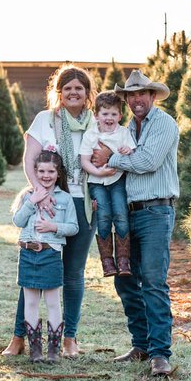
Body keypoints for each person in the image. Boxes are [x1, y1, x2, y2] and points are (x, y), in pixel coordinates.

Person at [0, 65, 97, 359]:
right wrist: (40, 195)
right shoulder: (45, 120)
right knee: (34, 271)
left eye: (79, 88)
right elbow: (30, 160)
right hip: (49, 202)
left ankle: (69, 339)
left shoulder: (96, 123)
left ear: (87, 93)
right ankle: (19, 338)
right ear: (59, 92)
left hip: (83, 203)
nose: (73, 93)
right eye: (67, 88)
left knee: (73, 273)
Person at [90, 69, 180, 377]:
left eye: (142, 93)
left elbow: (147, 162)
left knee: (153, 281)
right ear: (126, 99)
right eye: (131, 95)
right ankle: (140, 345)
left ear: (153, 96)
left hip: (156, 212)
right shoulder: (126, 128)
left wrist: (109, 158)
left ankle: (160, 354)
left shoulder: (164, 124)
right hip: (127, 213)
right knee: (125, 278)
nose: (136, 99)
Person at [12, 149, 78, 362]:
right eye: (41, 171)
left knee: (52, 302)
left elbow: (73, 227)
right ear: (35, 171)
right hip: (28, 254)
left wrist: (53, 226)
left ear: (58, 174)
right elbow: (18, 221)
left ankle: (53, 350)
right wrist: (33, 201)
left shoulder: (65, 199)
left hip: (50, 255)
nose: (46, 175)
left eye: (51, 171)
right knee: (30, 302)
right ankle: (36, 350)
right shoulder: (27, 196)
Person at [79, 91, 136, 277]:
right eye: (105, 114)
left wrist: (127, 149)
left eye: (113, 114)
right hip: (97, 182)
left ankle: (123, 259)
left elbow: (132, 151)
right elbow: (85, 160)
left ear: (120, 116)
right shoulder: (90, 135)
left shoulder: (123, 133)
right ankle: (107, 261)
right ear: (96, 115)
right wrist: (98, 172)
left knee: (120, 214)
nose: (109, 118)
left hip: (117, 180)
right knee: (103, 217)